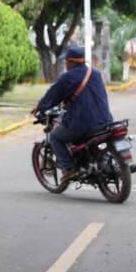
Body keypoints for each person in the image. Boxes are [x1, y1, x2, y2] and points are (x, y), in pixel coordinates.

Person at [33, 45, 113, 183]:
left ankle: (69, 169)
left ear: (70, 62)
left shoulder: (67, 78)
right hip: (105, 121)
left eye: (66, 62)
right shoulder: (95, 73)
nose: (66, 64)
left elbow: (52, 96)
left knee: (55, 137)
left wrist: (39, 109)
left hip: (81, 124)